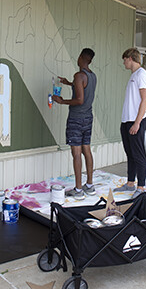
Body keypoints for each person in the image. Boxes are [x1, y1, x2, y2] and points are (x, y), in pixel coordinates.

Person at [53, 48, 97, 200]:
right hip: (88, 118)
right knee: (87, 150)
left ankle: (78, 189)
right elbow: (82, 88)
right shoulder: (92, 76)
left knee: (76, 153)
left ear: (81, 58)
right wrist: (69, 83)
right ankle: (89, 185)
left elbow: (79, 99)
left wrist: (61, 100)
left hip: (76, 119)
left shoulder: (79, 76)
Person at [114, 48, 146, 199]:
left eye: (124, 59)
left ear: (130, 58)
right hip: (127, 120)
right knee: (130, 153)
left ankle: (141, 187)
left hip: (136, 121)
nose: (124, 62)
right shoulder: (134, 75)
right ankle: (130, 183)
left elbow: (145, 100)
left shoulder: (142, 75)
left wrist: (137, 123)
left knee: (138, 154)